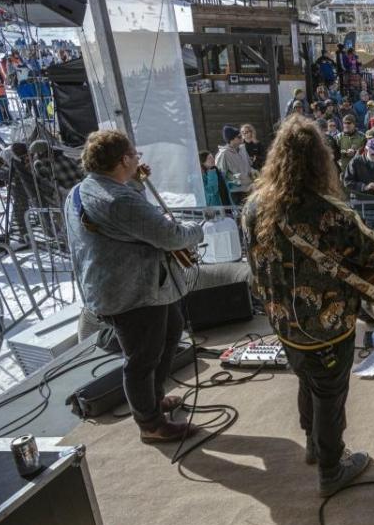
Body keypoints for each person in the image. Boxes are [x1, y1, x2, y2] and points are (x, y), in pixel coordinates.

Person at [243, 116, 374, 495]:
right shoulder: (331, 213)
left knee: (306, 379)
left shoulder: (252, 206)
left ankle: (313, 445)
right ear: (320, 160)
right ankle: (332, 468)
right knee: (330, 394)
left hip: (283, 321)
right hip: (328, 326)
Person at [64, 130, 205, 443]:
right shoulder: (117, 199)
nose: (139, 159)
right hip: (133, 295)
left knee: (170, 332)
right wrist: (196, 230)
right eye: (135, 155)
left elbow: (129, 225)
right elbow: (169, 236)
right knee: (142, 359)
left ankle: (152, 401)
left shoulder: (85, 190)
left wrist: (137, 183)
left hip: (130, 289)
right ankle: (150, 424)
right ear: (124, 159)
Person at [215, 125, 256, 204]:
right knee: (241, 216)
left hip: (250, 188)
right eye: (239, 136)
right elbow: (221, 175)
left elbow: (248, 165)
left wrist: (253, 171)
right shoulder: (223, 154)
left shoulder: (243, 149)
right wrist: (237, 179)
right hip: (237, 193)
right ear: (232, 139)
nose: (242, 137)